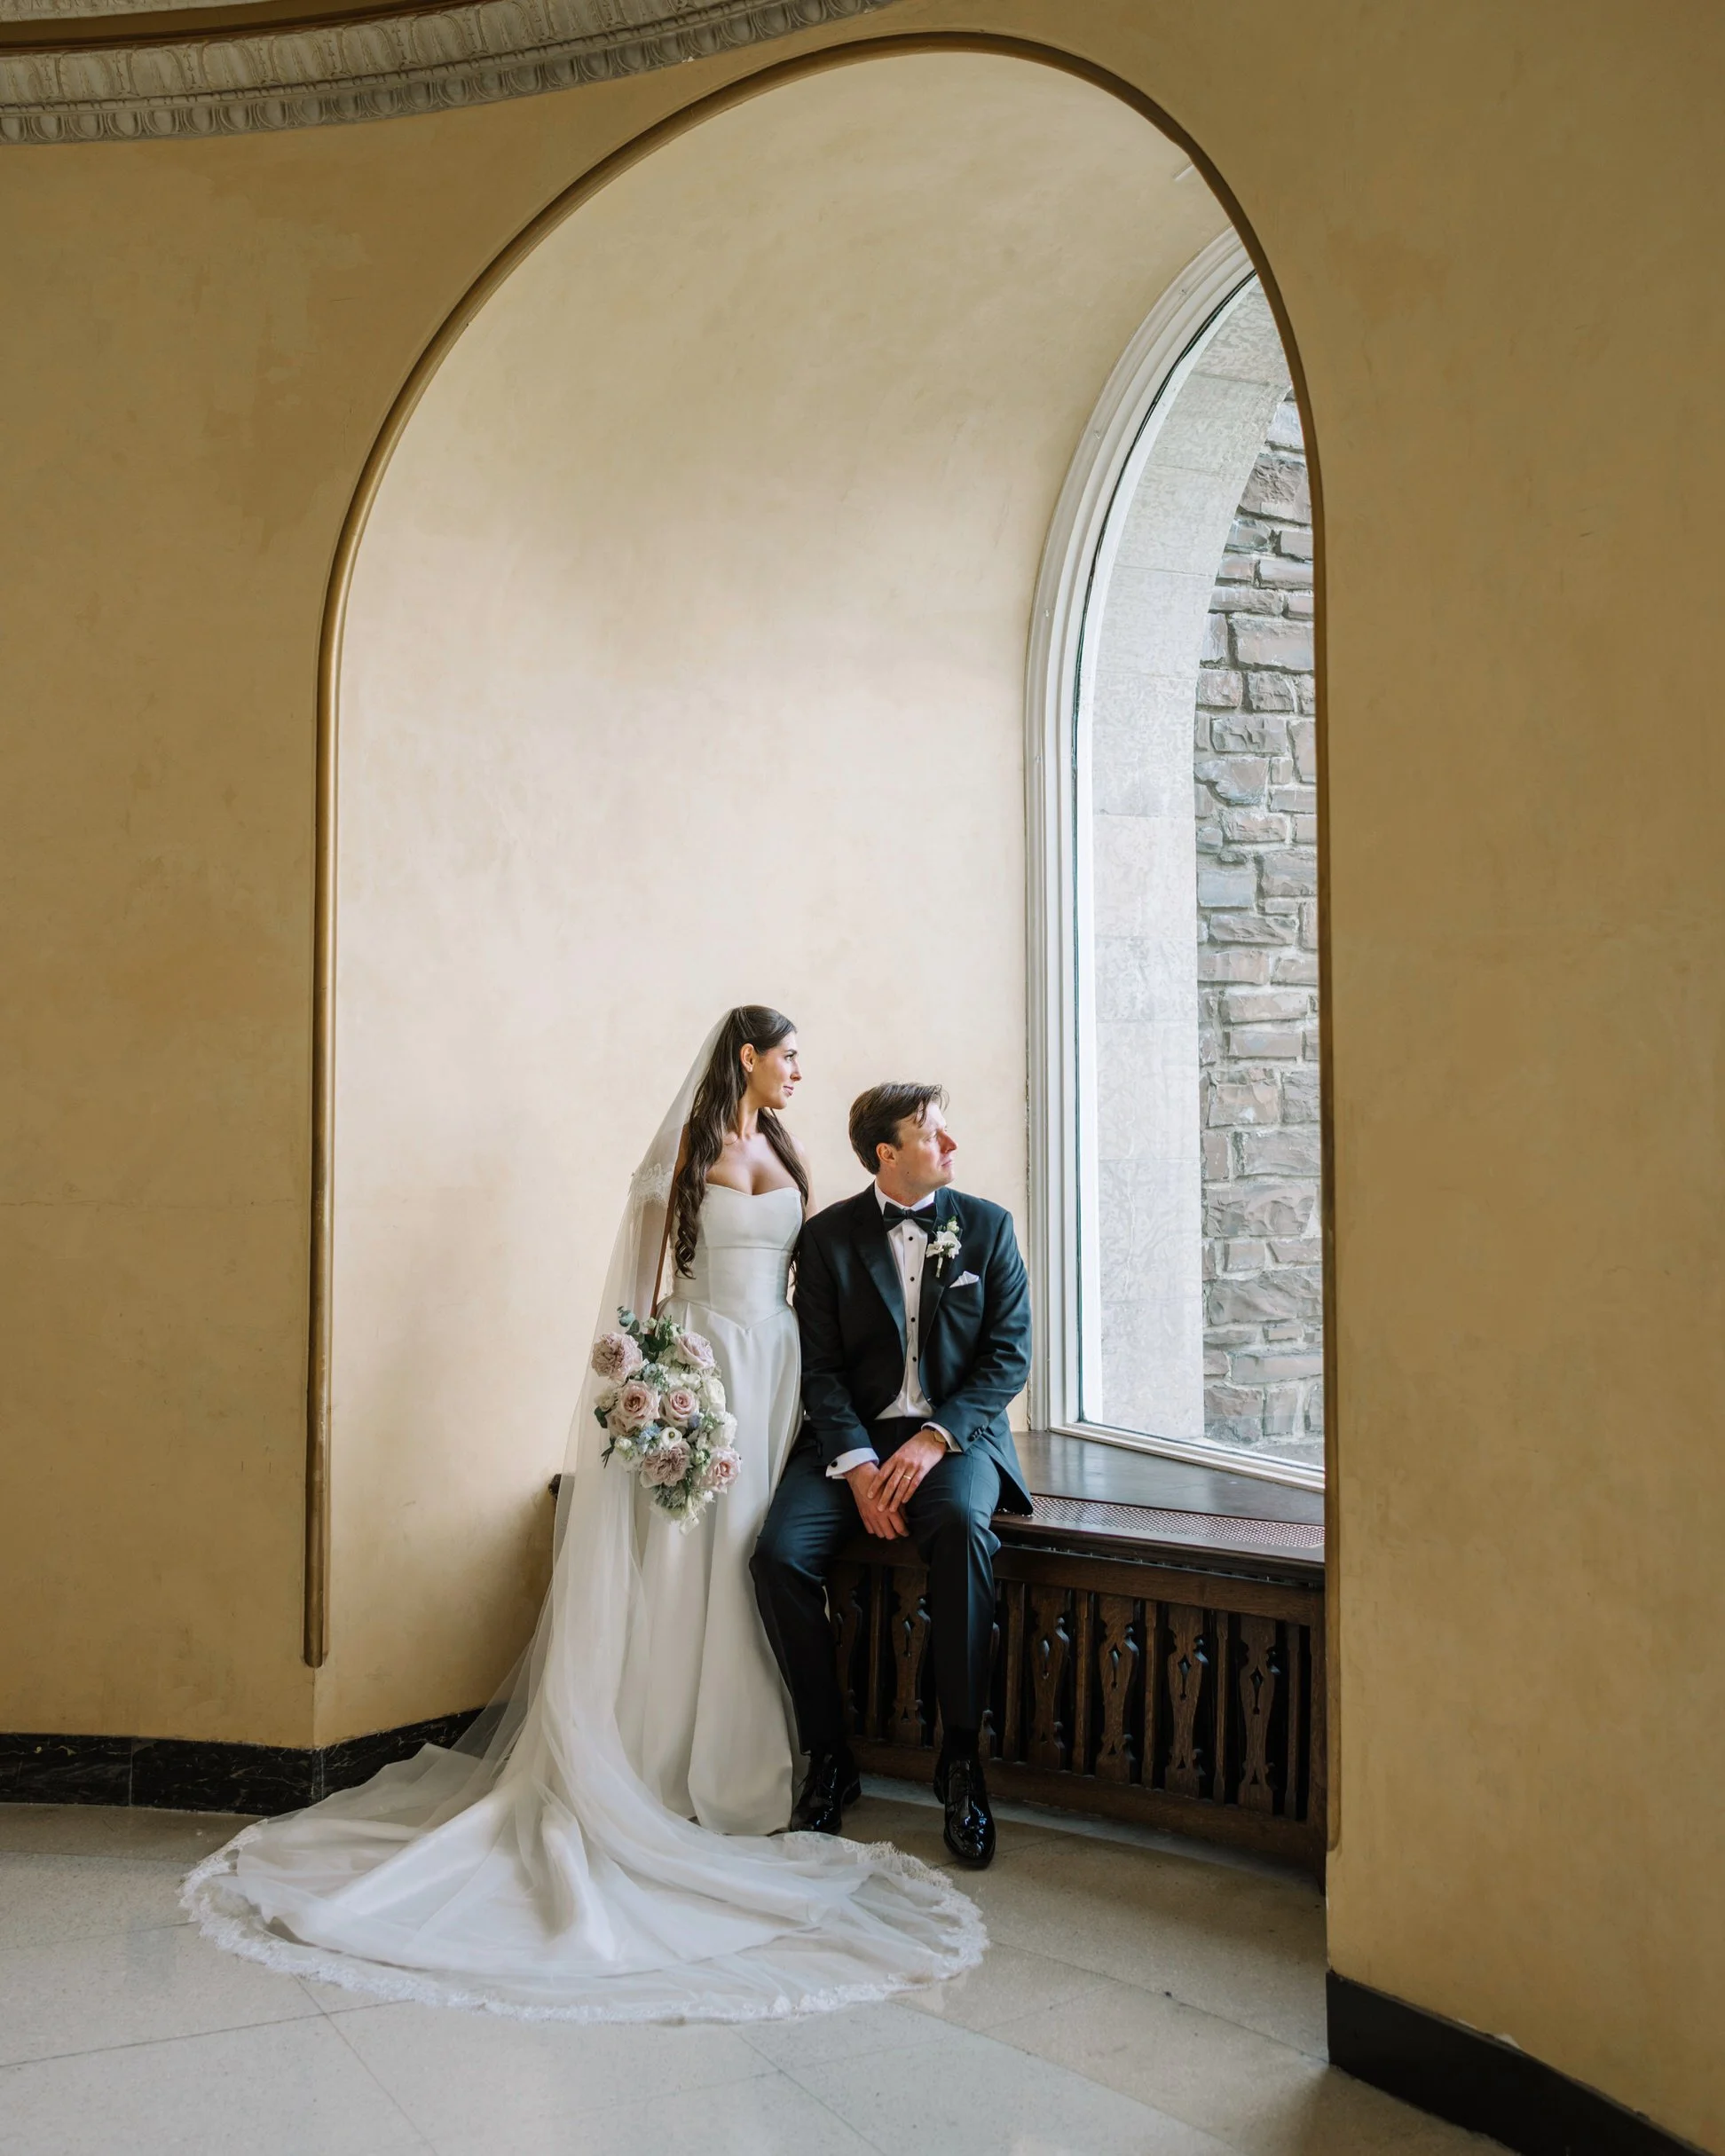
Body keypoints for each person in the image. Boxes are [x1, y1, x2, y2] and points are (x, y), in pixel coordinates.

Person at [184, 1011, 983, 2021]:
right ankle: (667, 1766)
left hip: (777, 1370)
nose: (798, 1072)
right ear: (747, 1057)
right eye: (787, 1056)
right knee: (694, 1558)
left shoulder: (788, 1151)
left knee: (753, 1549)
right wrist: (660, 1396)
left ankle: (752, 1764)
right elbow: (643, 1296)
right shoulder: (684, 1157)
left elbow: (807, 1278)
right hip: (705, 1366)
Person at [752, 1082, 1033, 1870]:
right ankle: (829, 1756)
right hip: (850, 1445)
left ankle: (960, 1761)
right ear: (887, 1154)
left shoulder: (988, 1227)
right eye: (933, 1135)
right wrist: (858, 1466)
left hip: (958, 1441)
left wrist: (937, 1438)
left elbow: (1008, 1356)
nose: (951, 1146)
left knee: (962, 1531)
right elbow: (820, 1370)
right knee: (777, 1557)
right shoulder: (827, 1240)